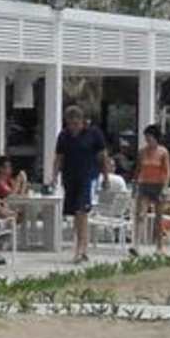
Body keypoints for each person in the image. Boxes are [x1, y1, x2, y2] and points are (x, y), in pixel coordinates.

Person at [49, 104, 108, 265]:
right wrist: (54, 176)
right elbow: (59, 158)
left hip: (88, 176)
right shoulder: (64, 136)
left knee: (82, 210)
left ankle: (79, 249)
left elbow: (102, 156)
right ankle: (83, 247)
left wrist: (106, 177)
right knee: (77, 213)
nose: (73, 127)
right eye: (70, 124)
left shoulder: (93, 134)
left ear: (82, 121)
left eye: (76, 123)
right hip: (70, 177)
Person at [134, 124, 170, 255]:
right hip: (145, 184)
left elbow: (167, 171)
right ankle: (136, 245)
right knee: (141, 214)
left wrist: (165, 187)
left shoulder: (163, 152)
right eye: (146, 137)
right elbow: (138, 169)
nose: (147, 140)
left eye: (149, 137)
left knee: (158, 217)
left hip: (158, 185)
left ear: (155, 137)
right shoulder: (142, 152)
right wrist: (135, 184)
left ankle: (159, 247)